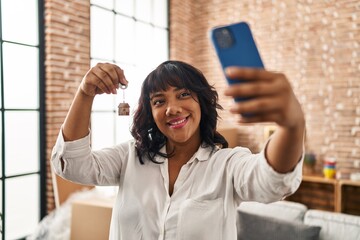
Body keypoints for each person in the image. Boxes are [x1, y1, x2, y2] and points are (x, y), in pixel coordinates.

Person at [51, 60, 305, 239]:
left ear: (202, 102)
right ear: (150, 113)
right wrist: (85, 92)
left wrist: (292, 126)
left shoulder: (228, 164)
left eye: (183, 94)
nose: (172, 108)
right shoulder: (129, 157)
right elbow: (71, 165)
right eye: (159, 101)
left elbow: (272, 181)